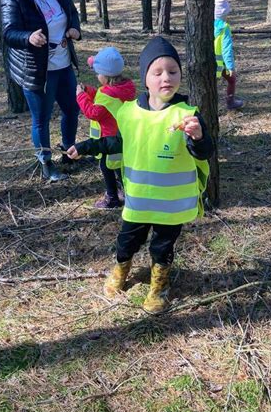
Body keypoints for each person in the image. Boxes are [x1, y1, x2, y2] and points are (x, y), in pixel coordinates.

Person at [67, 37, 213, 314]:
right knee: (127, 241)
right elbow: (114, 142)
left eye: (172, 71)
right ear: (145, 78)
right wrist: (85, 147)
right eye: (157, 72)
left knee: (162, 246)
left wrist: (198, 137)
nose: (166, 78)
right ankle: (122, 269)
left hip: (171, 205)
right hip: (138, 201)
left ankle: (159, 284)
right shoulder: (129, 113)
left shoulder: (188, 115)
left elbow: (204, 152)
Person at [1, 0, 81, 181]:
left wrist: (74, 28)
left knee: (72, 109)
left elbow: (71, 12)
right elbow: (8, 32)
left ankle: (69, 151)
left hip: (63, 63)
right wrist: (28, 37)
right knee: (42, 119)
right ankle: (46, 164)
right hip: (36, 69)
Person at [76, 47, 136, 209]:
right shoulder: (124, 88)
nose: (97, 76)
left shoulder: (107, 95)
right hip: (122, 137)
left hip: (107, 140)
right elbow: (103, 98)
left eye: (98, 73)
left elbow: (92, 112)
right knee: (120, 167)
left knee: (106, 167)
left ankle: (112, 198)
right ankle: (126, 192)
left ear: (105, 75)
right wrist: (88, 91)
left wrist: (81, 96)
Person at [214, 0, 243, 109]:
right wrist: (230, 67)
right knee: (232, 79)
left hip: (207, 61)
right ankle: (230, 103)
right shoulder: (224, 28)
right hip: (219, 63)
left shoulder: (206, 23)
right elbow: (226, 49)